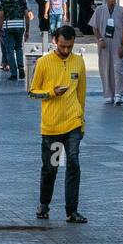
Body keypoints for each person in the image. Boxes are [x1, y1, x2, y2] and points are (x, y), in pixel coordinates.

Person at [28, 25, 87, 223]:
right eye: (62, 46)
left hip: (73, 124)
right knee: (51, 167)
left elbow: (81, 93)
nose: (66, 50)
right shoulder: (44, 63)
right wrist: (51, 92)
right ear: (55, 41)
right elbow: (32, 93)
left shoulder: (78, 62)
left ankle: (72, 210)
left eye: (69, 46)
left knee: (74, 164)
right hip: (52, 127)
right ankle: (44, 205)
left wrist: (82, 122)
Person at [90, 0, 123, 105]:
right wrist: (100, 39)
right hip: (105, 45)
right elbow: (94, 27)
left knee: (119, 68)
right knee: (106, 68)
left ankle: (118, 93)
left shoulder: (121, 10)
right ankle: (109, 94)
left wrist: (122, 45)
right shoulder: (99, 10)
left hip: (117, 44)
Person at [0, 0, 33, 81]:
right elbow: (26, 15)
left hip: (8, 27)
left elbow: (1, 16)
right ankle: (21, 67)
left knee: (10, 50)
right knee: (19, 48)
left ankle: (13, 73)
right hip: (20, 26)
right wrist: (27, 30)